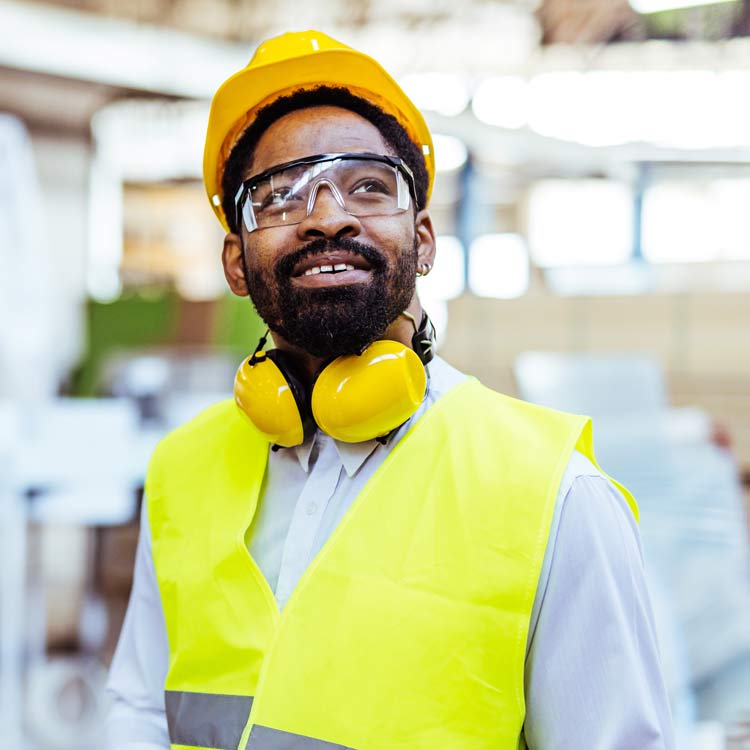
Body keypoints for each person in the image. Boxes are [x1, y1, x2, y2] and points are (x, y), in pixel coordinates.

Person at [106, 30, 675, 750]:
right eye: (279, 196)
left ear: (426, 240)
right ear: (235, 263)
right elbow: (140, 708)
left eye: (368, 186)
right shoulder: (183, 468)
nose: (326, 215)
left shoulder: (555, 495)